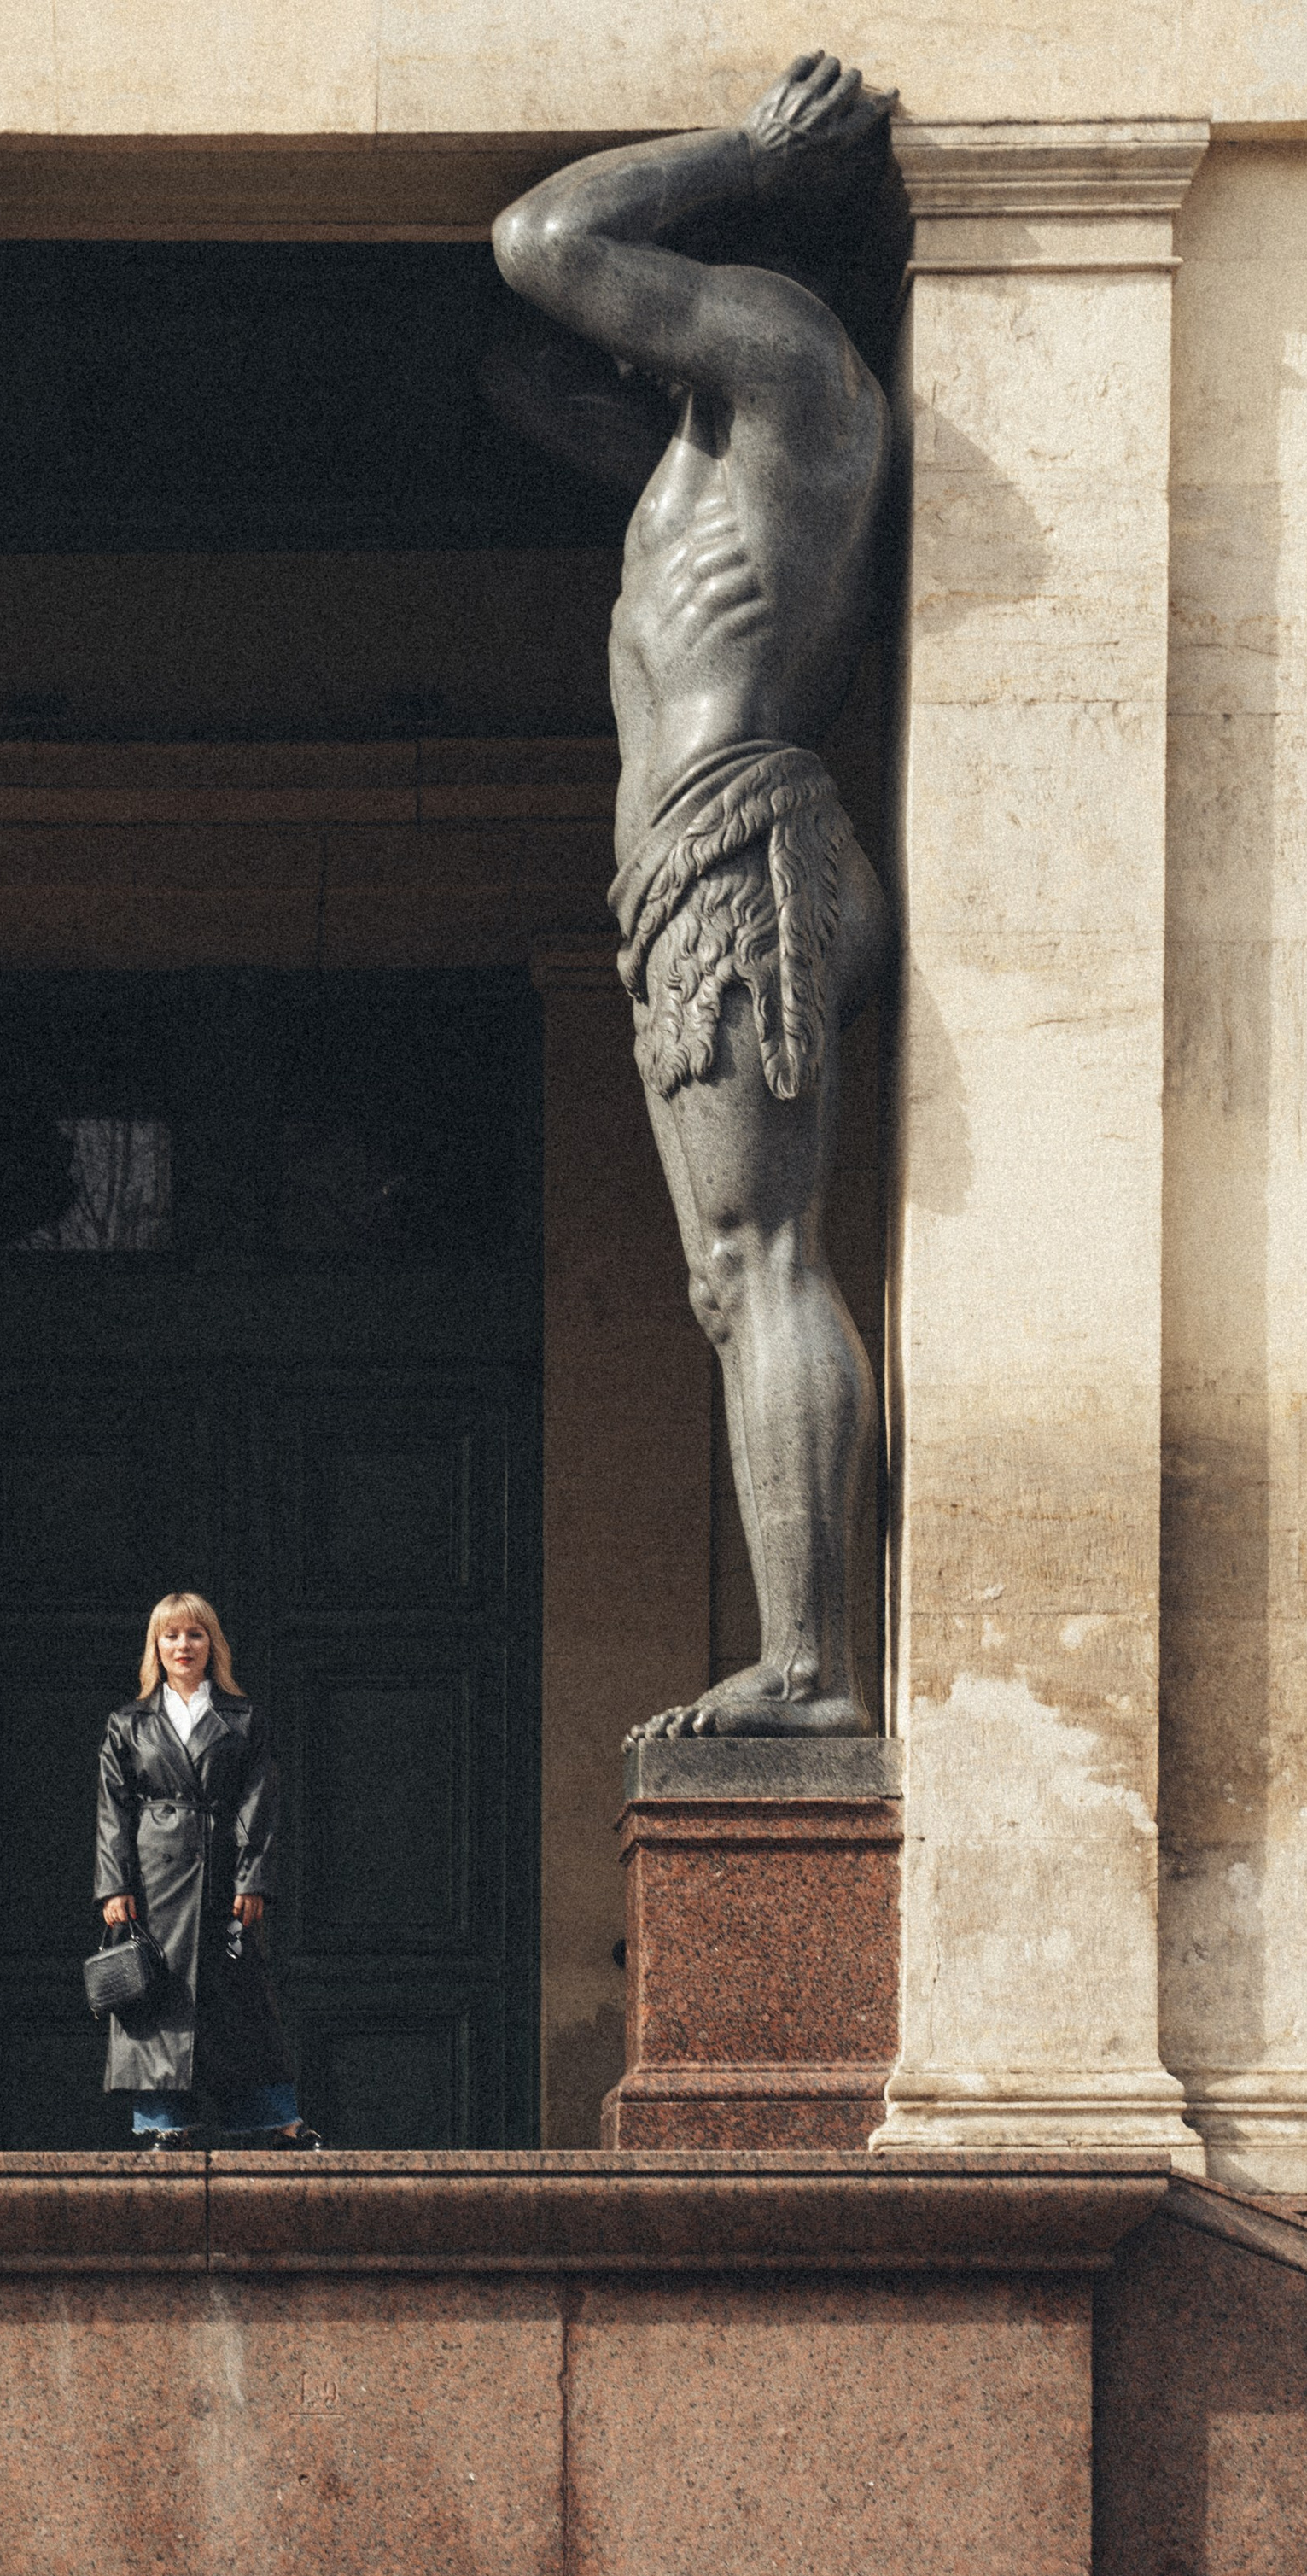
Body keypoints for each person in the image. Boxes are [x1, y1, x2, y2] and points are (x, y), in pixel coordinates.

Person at [492, 50, 895, 1738]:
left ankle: (813, 1667)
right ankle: (802, 1651)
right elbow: (534, 373)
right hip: (690, 865)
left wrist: (733, 152)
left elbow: (543, 236)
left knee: (766, 1252)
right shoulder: (701, 445)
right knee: (731, 1274)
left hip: (738, 844)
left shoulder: (788, 355)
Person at [95, 1594, 322, 2149]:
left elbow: (258, 1803)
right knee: (154, 2001)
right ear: (157, 1646)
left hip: (223, 1877)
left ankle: (277, 2122)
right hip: (153, 1881)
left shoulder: (243, 1719)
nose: (183, 1646)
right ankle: (163, 2125)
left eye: (195, 1634)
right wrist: (115, 1882)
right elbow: (112, 1806)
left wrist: (253, 1878)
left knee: (242, 2006)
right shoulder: (129, 1722)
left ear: (212, 1644)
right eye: (171, 1635)